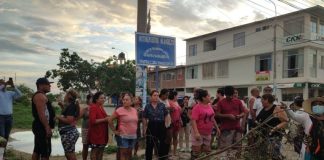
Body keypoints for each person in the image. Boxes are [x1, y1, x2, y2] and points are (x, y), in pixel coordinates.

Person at [215, 86, 248, 159]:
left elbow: (243, 112)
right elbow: (217, 114)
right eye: (228, 95)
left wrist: (240, 116)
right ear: (225, 94)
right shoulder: (221, 102)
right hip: (225, 130)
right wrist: (228, 116)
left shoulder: (238, 101)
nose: (230, 97)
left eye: (231, 95)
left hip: (237, 128)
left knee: (238, 147)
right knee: (226, 148)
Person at [256, 94, 288, 160]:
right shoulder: (264, 108)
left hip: (274, 135)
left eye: (262, 100)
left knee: (274, 153)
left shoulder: (277, 108)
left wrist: (275, 128)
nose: (261, 101)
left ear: (267, 100)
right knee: (262, 153)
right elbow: (258, 119)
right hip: (263, 134)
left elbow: (285, 121)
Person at [191, 89, 220, 160]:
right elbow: (193, 120)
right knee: (196, 152)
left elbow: (212, 118)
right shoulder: (197, 107)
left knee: (207, 151)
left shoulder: (209, 106)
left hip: (208, 132)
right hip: (199, 132)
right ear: (203, 98)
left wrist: (217, 128)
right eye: (208, 96)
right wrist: (196, 133)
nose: (210, 97)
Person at [108, 93, 138, 160]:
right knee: (123, 154)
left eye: (127, 100)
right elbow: (110, 120)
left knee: (129, 153)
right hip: (123, 136)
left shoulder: (134, 110)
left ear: (131, 101)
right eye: (123, 100)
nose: (124, 101)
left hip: (133, 136)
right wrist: (114, 131)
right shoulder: (119, 110)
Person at [31, 77, 55, 160]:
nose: (50, 86)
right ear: (41, 85)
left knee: (37, 150)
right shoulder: (39, 96)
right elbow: (41, 114)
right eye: (48, 84)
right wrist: (47, 127)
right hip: (41, 126)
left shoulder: (42, 95)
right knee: (45, 152)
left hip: (41, 126)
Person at [143, 90, 169, 160]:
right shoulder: (147, 106)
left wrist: (166, 124)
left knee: (162, 144)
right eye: (154, 95)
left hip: (161, 126)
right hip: (151, 126)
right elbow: (144, 117)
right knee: (149, 145)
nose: (156, 97)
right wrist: (145, 128)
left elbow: (166, 115)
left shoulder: (162, 105)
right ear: (151, 97)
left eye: (157, 95)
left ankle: (162, 158)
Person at [56, 89, 80, 160]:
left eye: (65, 94)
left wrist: (58, 117)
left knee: (69, 154)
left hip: (68, 133)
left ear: (69, 96)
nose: (64, 96)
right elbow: (67, 115)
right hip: (69, 132)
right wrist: (62, 106)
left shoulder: (71, 106)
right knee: (69, 153)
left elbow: (69, 120)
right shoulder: (70, 105)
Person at [0, 78, 22, 146]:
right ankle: (1, 153)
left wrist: (13, 86)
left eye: (3, 83)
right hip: (1, 117)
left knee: (6, 135)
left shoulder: (10, 93)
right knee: (1, 135)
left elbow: (20, 94)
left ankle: (2, 153)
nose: (3, 85)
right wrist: (5, 83)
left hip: (9, 117)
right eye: (1, 83)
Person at [88, 91, 109, 160]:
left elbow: (104, 117)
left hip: (102, 133)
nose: (103, 99)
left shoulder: (100, 107)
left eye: (104, 98)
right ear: (96, 99)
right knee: (95, 152)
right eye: (101, 98)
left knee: (100, 152)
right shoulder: (93, 107)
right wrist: (105, 119)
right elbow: (93, 121)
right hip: (96, 134)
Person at [168, 90, 182, 156]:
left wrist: (180, 120)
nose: (178, 97)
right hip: (171, 122)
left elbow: (179, 112)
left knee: (175, 137)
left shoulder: (176, 102)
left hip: (177, 122)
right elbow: (168, 112)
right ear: (174, 96)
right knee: (170, 137)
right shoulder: (169, 102)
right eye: (177, 95)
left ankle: (175, 151)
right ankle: (169, 151)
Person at [80, 94, 92, 160]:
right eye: (91, 98)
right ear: (88, 100)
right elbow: (78, 117)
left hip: (94, 129)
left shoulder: (97, 107)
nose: (93, 100)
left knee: (94, 146)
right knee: (85, 146)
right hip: (86, 128)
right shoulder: (85, 108)